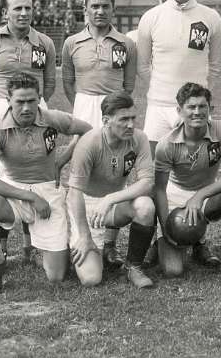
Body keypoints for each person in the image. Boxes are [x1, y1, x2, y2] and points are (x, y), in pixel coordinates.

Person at [0, 72, 92, 294]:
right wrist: (32, 197)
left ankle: (40, 246)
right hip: (14, 190)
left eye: (31, 101)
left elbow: (87, 131)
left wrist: (61, 161)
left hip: (48, 189)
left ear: (39, 99)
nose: (26, 108)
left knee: (56, 276)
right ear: (8, 101)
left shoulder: (51, 118)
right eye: (20, 102)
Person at [0, 0, 57, 259]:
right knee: (4, 176)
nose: (23, 13)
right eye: (17, 8)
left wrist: (37, 108)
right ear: (5, 12)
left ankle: (31, 244)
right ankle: (4, 240)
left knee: (36, 169)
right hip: (2, 108)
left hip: (36, 108)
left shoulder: (44, 42)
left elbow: (50, 82)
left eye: (28, 8)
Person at [61, 0, 137, 269]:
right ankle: (78, 234)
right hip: (85, 105)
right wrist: (84, 106)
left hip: (115, 108)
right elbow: (67, 82)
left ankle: (110, 245)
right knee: (81, 172)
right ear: (85, 9)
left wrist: (116, 107)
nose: (100, 11)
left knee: (117, 170)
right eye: (95, 6)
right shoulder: (71, 42)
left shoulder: (126, 43)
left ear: (113, 9)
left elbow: (129, 84)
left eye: (105, 6)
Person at [154, 83, 221, 284]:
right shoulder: (167, 144)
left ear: (210, 109)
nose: (197, 112)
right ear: (179, 111)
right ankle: (164, 243)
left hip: (206, 194)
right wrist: (166, 228)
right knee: (173, 271)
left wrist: (199, 196)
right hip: (175, 195)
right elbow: (159, 190)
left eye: (202, 106)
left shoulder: (220, 129)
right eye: (191, 107)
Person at [66, 92, 157, 289]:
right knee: (91, 278)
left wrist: (110, 198)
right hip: (86, 205)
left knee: (145, 206)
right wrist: (84, 236)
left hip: (112, 204)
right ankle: (70, 240)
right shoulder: (89, 143)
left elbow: (147, 183)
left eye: (133, 118)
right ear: (106, 120)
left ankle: (134, 267)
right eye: (124, 119)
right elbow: (74, 194)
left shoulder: (139, 138)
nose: (131, 125)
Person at [137, 0, 221, 159]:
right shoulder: (151, 17)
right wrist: (161, 89)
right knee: (154, 166)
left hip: (195, 107)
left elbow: (216, 63)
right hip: (159, 106)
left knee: (196, 165)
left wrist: (201, 95)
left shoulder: (211, 17)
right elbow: (142, 65)